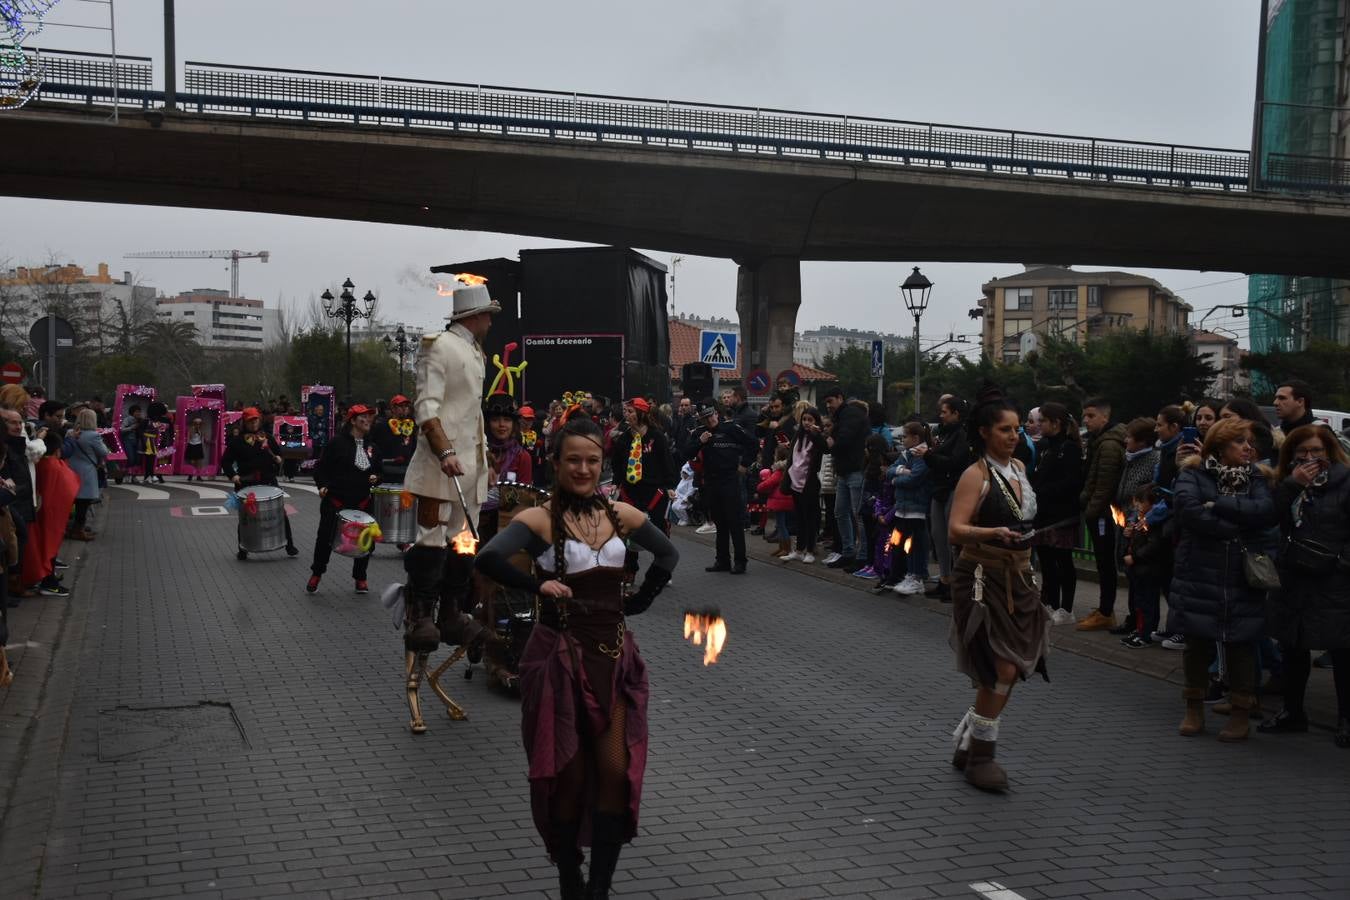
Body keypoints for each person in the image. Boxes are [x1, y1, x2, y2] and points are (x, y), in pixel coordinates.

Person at [473, 414, 679, 899]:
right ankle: (570, 875)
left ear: (602, 463)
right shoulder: (538, 519)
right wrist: (536, 583)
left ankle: (599, 890)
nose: (583, 468)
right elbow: (486, 558)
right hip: (560, 661)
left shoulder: (620, 515)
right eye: (573, 460)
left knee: (614, 770)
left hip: (613, 659)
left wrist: (641, 600)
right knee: (567, 775)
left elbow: (668, 555)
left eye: (592, 460)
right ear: (555, 463)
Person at [946, 389, 1047, 792]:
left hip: (1019, 578)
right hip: (981, 578)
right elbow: (955, 529)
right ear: (985, 432)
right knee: (1000, 666)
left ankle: (968, 742)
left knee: (1014, 665)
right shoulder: (976, 474)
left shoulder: (1020, 466)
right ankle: (982, 756)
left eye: (1017, 429)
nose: (1014, 436)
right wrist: (993, 532)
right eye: (1005, 429)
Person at [400, 276, 497, 675]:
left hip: (470, 468)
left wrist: (479, 459)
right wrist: (445, 451)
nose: (491, 322)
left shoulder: (474, 351)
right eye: (488, 315)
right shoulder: (439, 347)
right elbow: (426, 406)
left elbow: (471, 413)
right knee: (431, 536)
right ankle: (421, 613)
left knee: (463, 541)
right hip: (443, 467)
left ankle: (453, 611)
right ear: (475, 316)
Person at [1168, 417, 1279, 742]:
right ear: (1220, 446)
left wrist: (1218, 505)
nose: (1248, 448)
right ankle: (1194, 707)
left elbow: (1263, 511)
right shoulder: (1194, 472)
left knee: (1241, 642)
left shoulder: (1258, 476)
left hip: (1242, 574)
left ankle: (1241, 710)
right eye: (1239, 442)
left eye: (1249, 442)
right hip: (1200, 571)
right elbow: (1188, 510)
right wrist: (1234, 526)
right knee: (1197, 641)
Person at [1260, 425, 1350, 747]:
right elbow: (1267, 517)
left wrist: (1340, 564)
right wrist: (1290, 486)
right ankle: (1292, 712)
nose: (1309, 458)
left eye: (1316, 451)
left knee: (1342, 650)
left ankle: (1346, 719)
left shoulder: (1345, 482)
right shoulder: (1288, 482)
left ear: (1330, 452)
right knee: (1292, 646)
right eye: (1303, 452)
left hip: (1333, 580)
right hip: (1293, 576)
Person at [307, 405, 382, 595]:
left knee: (365, 542)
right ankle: (317, 574)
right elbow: (321, 468)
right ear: (353, 421)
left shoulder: (372, 446)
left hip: (362, 500)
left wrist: (376, 476)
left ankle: (360, 577)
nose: (368, 421)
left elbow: (379, 470)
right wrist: (322, 485)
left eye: (369, 417)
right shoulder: (336, 443)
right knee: (324, 539)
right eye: (363, 417)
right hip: (336, 500)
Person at [1029, 402, 1084, 626]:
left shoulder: (1068, 448)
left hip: (1061, 515)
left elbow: (1071, 482)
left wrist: (1042, 491)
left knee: (1063, 561)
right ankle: (1049, 602)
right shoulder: (1046, 447)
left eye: (1043, 420)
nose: (1039, 424)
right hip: (1043, 514)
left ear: (1056, 423)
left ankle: (1066, 608)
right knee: (1047, 562)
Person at [686, 405, 756, 574]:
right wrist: (700, 441)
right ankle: (722, 560)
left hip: (730, 480)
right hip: (711, 481)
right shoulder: (700, 432)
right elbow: (686, 452)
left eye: (712, 416)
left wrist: (744, 464)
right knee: (719, 523)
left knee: (735, 522)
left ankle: (740, 561)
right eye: (705, 418)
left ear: (717, 414)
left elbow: (753, 444)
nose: (710, 420)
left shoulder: (731, 428)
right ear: (701, 419)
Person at [221, 407, 299, 559]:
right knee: (246, 517)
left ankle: (289, 545)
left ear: (259, 420)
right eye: (250, 420)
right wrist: (233, 475)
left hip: (267, 481)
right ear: (245, 422)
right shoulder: (237, 442)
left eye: (255, 419)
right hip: (246, 483)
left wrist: (278, 460)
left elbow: (279, 455)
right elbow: (226, 461)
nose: (254, 423)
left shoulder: (268, 438)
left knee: (280, 513)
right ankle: (243, 548)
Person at [1077, 397, 1127, 630]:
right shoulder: (1101, 440)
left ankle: (1106, 611)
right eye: (1084, 416)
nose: (1086, 420)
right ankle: (1104, 608)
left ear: (1105, 416)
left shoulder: (1108, 444)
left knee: (1105, 562)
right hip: (1100, 512)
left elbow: (1103, 485)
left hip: (1104, 515)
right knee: (1102, 562)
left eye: (1091, 416)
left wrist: (1090, 510)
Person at [917, 396, 970, 602]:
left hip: (953, 489)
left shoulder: (962, 435)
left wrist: (929, 456)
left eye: (944, 412)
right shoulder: (944, 433)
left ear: (956, 414)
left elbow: (955, 462)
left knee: (951, 537)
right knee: (938, 536)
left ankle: (957, 583)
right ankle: (945, 579)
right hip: (939, 489)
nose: (941, 415)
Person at [610, 398, 676, 535]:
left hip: (653, 491)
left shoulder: (656, 436)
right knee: (627, 534)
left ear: (641, 414)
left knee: (659, 534)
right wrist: (615, 483)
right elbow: (617, 463)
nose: (626, 415)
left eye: (630, 411)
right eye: (625, 412)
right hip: (630, 491)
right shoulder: (624, 439)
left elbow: (667, 461)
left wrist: (669, 485)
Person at [1119, 483, 1173, 648]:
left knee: (1148, 603)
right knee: (1139, 603)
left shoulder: (1153, 523)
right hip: (1138, 570)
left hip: (1148, 569)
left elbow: (1153, 546)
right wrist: (1128, 535)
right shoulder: (1138, 519)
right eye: (1136, 502)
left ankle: (1146, 634)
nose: (1137, 506)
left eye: (1140, 502)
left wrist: (1135, 557)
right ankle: (1140, 630)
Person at [820, 388, 869, 569]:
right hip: (844, 471)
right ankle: (848, 552)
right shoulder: (841, 416)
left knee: (858, 515)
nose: (828, 405)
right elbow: (834, 441)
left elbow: (843, 440)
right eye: (826, 402)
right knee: (840, 512)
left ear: (840, 398)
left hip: (855, 470)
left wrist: (833, 441)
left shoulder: (851, 415)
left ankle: (863, 555)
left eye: (830, 401)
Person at [480, 397, 533, 544]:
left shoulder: (522, 457)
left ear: (514, 424)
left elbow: (524, 503)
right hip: (474, 528)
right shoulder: (476, 454)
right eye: (496, 419)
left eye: (507, 420)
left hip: (506, 531)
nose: (502, 425)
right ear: (487, 423)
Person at [889, 421, 933, 595]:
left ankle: (918, 576)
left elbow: (915, 479)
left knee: (918, 542)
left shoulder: (922, 455)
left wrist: (896, 481)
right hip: (904, 506)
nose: (902, 440)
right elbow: (890, 470)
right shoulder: (907, 454)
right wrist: (902, 471)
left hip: (917, 505)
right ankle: (911, 574)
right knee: (909, 542)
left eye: (905, 436)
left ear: (915, 438)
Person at [783, 406, 826, 564]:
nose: (807, 423)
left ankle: (810, 550)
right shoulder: (798, 435)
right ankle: (799, 550)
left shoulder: (817, 436)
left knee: (811, 518)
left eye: (810, 420)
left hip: (810, 483)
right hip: (795, 481)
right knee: (799, 517)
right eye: (804, 419)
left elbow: (825, 449)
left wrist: (816, 434)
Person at [66, 409, 107, 541]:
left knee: (73, 501)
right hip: (86, 472)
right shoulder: (93, 435)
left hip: (70, 470)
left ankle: (72, 528)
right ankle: (78, 530)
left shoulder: (70, 433)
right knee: (83, 503)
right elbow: (104, 451)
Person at [370, 393, 417, 483]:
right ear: (393, 409)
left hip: (406, 471)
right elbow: (372, 446)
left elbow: (414, 447)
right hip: (387, 471)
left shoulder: (411, 426)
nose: (404, 408)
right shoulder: (381, 426)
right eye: (400, 406)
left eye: (406, 406)